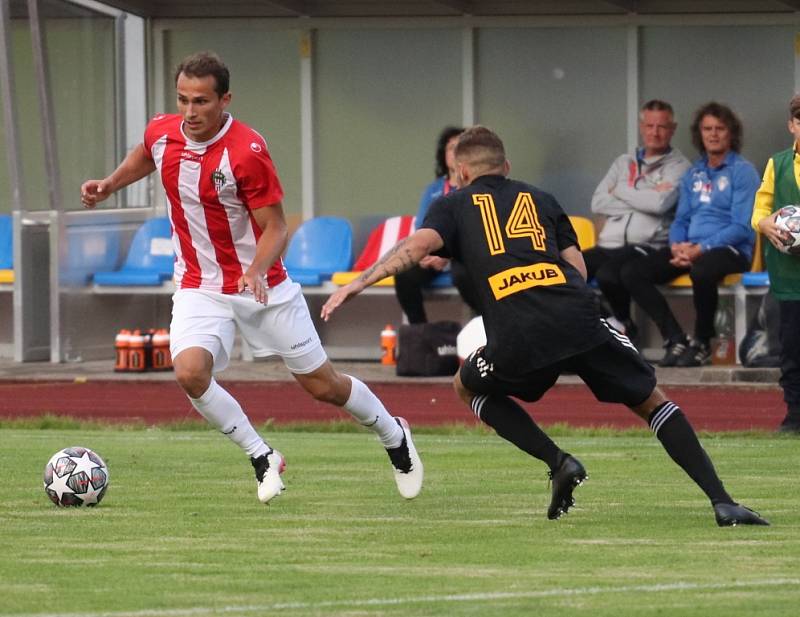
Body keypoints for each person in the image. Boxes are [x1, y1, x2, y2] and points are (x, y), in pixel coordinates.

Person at [322, 125, 768, 527]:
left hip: (518, 332)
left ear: (459, 171)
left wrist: (358, 284)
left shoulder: (453, 204)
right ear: (507, 166)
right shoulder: (541, 198)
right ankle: (722, 500)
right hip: (577, 316)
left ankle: (558, 462)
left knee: (466, 385)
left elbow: (417, 247)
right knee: (652, 401)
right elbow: (574, 263)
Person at [80, 51, 422, 503]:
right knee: (189, 372)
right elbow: (147, 152)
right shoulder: (164, 131)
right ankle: (262, 456)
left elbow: (277, 227)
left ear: (225, 99)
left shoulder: (247, 151)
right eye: (182, 99)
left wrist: (254, 270)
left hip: (264, 288)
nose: (190, 111)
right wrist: (109, 184)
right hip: (199, 284)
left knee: (323, 386)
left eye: (201, 101)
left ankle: (393, 433)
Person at [620, 102, 761, 367]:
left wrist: (701, 249)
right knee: (632, 272)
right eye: (707, 129)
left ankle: (702, 342)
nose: (713, 134)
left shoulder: (743, 172)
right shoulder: (693, 172)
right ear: (700, 133)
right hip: (689, 249)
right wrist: (677, 247)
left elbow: (742, 225)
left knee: (702, 271)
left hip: (731, 250)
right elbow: (681, 218)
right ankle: (675, 338)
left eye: (720, 128)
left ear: (732, 133)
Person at [585, 100, 690, 339]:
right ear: (641, 127)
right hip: (608, 244)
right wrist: (645, 194)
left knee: (608, 275)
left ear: (672, 129)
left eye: (662, 126)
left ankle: (623, 327)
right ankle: (612, 323)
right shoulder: (624, 162)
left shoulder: (680, 166)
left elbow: (660, 204)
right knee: (565, 272)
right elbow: (597, 202)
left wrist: (620, 190)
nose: (655, 132)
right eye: (650, 125)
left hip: (645, 245)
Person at [394, 126, 480, 323]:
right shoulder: (433, 190)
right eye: (451, 147)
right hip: (434, 255)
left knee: (466, 275)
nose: (455, 151)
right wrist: (427, 253)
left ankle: (484, 332)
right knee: (405, 275)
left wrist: (448, 256)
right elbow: (422, 229)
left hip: (465, 258)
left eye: (461, 146)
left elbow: (477, 230)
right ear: (443, 155)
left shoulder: (478, 186)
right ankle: (420, 334)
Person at [752, 94, 800, 433]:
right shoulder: (777, 163)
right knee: (792, 347)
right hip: (789, 275)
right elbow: (760, 207)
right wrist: (765, 224)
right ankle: (795, 416)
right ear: (792, 125)